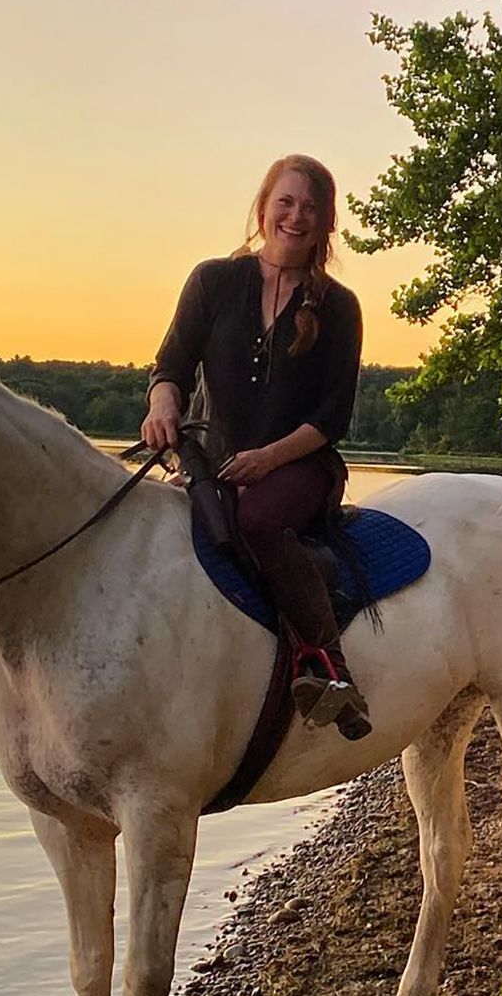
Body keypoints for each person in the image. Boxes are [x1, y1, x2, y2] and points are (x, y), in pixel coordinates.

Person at [141, 154, 371, 740]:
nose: (295, 217)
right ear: (264, 207)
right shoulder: (214, 280)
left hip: (300, 466)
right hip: (211, 461)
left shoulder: (340, 306)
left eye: (310, 207)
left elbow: (332, 417)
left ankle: (332, 670)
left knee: (257, 521)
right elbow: (170, 364)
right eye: (286, 202)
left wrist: (269, 459)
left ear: (325, 222)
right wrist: (162, 404)